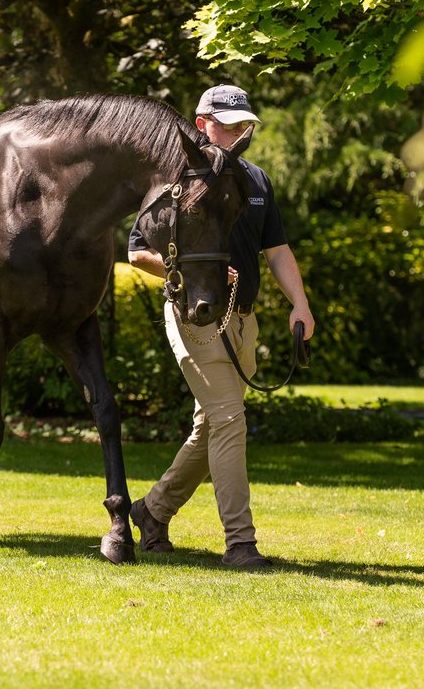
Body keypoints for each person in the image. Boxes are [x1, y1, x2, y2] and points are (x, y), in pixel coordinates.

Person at [127, 84, 315, 569]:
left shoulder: (256, 180)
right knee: (231, 421)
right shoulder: (173, 180)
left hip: (244, 320)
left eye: (241, 126)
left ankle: (152, 511)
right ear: (202, 121)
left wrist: (300, 304)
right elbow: (136, 251)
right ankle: (241, 543)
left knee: (210, 426)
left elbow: (277, 251)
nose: (233, 134)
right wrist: (182, 274)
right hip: (196, 317)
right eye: (225, 124)